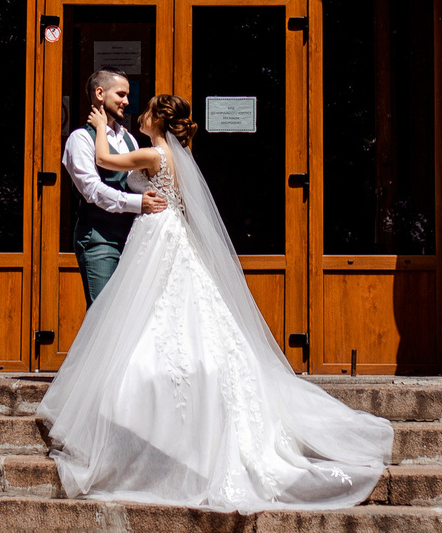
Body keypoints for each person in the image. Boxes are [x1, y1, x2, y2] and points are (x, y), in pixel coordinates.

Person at [39, 93, 394, 510]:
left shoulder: (153, 153)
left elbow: (105, 160)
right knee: (175, 310)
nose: (139, 112)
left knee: (156, 310)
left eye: (148, 109)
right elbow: (183, 202)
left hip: (156, 234)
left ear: (158, 119)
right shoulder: (170, 154)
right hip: (167, 232)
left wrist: (99, 129)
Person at [63, 68, 167, 303]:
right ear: (100, 93)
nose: (126, 101)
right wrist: (139, 203)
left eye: (127, 95)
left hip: (133, 239)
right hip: (100, 239)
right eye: (121, 94)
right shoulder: (79, 139)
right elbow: (92, 191)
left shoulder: (129, 138)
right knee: (101, 315)